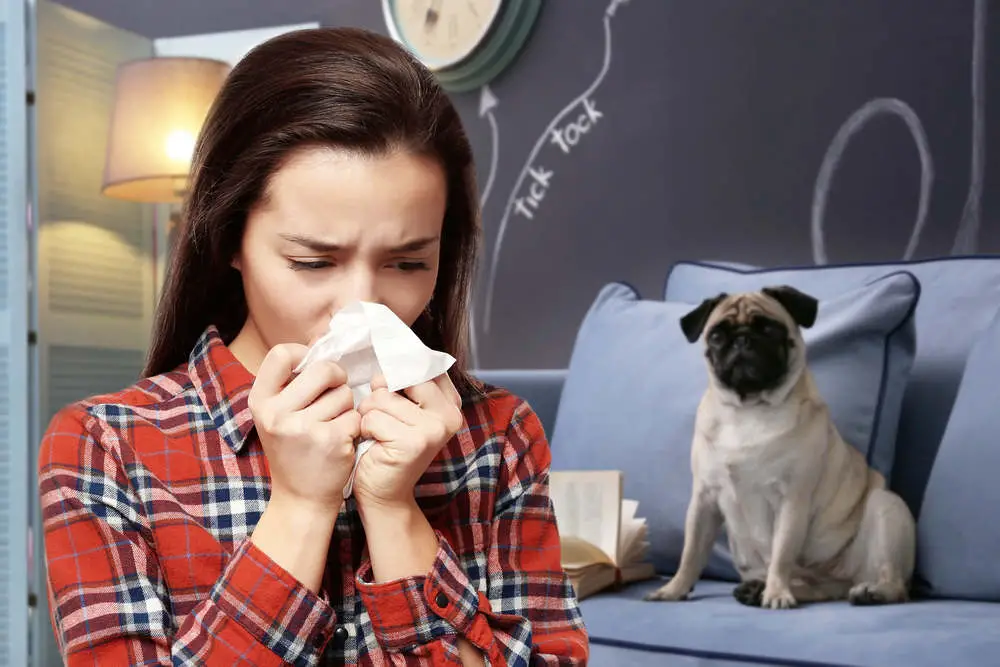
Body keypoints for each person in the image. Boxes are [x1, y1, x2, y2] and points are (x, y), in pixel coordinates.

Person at [38, 26, 589, 666]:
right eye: (312, 261)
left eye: (408, 263)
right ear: (229, 241)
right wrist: (300, 506)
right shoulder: (107, 447)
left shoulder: (497, 437)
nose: (363, 305)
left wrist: (394, 510)